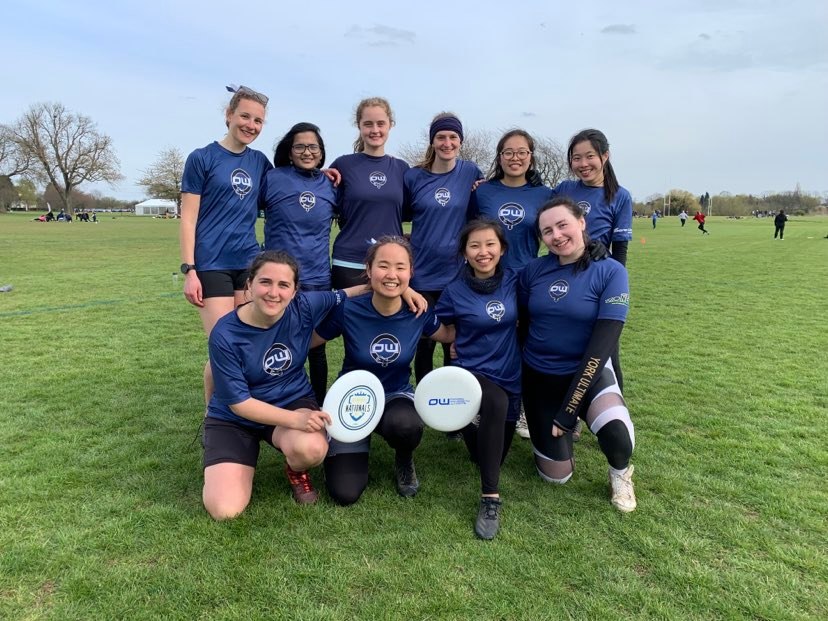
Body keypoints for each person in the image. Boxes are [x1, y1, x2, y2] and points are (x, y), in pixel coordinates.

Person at [204, 250, 383, 518]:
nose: (273, 292)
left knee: (311, 448)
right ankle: (229, 449)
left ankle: (296, 469)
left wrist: (403, 291)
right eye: (265, 282)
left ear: (295, 290)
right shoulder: (225, 333)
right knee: (224, 510)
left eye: (283, 285)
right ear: (249, 285)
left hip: (291, 400)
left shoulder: (305, 305)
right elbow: (240, 404)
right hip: (235, 416)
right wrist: (295, 421)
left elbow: (350, 293)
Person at [314, 236, 455, 505]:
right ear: (369, 270)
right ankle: (351, 442)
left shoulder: (418, 311)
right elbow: (311, 340)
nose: (392, 274)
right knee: (345, 493)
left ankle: (404, 458)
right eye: (383, 266)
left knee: (407, 425)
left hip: (395, 396)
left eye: (400, 267)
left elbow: (447, 335)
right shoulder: (349, 309)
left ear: (411, 273)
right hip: (352, 400)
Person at [519, 197, 637, 512]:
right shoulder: (533, 271)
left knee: (618, 435)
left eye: (562, 225)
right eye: (547, 231)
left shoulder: (611, 271)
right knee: (556, 477)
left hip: (589, 372)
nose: (556, 235)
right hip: (540, 378)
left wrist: (569, 410)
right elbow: (519, 326)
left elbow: (602, 346)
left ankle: (621, 473)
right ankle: (555, 435)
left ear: (582, 222)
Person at [180, 85, 273, 407]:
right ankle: (213, 418)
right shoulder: (202, 158)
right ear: (229, 115)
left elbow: (286, 187)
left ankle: (244, 413)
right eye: (245, 116)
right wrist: (189, 270)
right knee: (224, 345)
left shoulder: (260, 162)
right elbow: (188, 218)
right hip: (212, 265)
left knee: (248, 343)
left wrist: (322, 174)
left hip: (248, 265)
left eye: (258, 120)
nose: (251, 125)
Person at [435, 219, 522, 539]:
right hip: (473, 373)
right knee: (495, 403)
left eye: (490, 244)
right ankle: (490, 498)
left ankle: (469, 423)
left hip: (511, 372)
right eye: (474, 246)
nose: (483, 252)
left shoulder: (516, 280)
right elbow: (438, 326)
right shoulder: (454, 291)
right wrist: (451, 339)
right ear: (464, 253)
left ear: (502, 249)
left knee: (490, 455)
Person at [469, 129, 553, 439]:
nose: (515, 158)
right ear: (499, 157)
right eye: (508, 152)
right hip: (488, 280)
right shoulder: (482, 192)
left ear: (531, 157)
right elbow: (468, 232)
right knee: (488, 342)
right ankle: (481, 405)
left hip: (529, 281)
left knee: (524, 346)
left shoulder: (545, 194)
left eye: (522, 152)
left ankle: (521, 411)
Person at [404, 112, 483, 384]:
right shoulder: (414, 177)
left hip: (457, 276)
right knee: (424, 342)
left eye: (453, 137)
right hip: (421, 276)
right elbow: (396, 213)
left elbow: (479, 212)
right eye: (441, 137)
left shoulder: (471, 172)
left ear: (460, 141)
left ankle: (454, 406)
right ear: (432, 141)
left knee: (454, 343)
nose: (447, 143)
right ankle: (424, 402)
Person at [261, 122, 337, 404]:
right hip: (278, 281)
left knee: (316, 348)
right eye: (300, 146)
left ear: (321, 152)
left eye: (313, 146)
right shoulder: (272, 178)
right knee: (275, 344)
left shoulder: (331, 185)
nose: (307, 152)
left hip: (317, 279)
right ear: (290, 151)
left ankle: (317, 405)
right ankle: (274, 403)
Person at [554, 129, 632, 398]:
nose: (583, 164)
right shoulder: (565, 189)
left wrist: (615, 287)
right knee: (566, 346)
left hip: (599, 282)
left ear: (605, 156)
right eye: (576, 158)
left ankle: (616, 414)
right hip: (563, 276)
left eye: (590, 156)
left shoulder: (620, 196)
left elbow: (620, 253)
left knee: (606, 350)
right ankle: (569, 413)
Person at [328, 97, 410, 289]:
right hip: (349, 261)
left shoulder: (402, 169)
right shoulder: (344, 164)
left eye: (381, 124)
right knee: (347, 318)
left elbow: (415, 211)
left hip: (391, 265)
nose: (375, 130)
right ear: (359, 126)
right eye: (368, 124)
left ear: (391, 125)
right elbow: (319, 197)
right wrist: (317, 173)